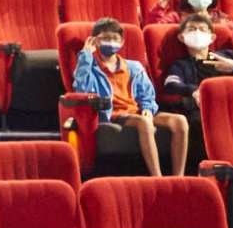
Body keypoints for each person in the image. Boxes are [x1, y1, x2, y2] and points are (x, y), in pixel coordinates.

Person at [72, 16, 189, 177]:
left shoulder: (134, 67)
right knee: (143, 122)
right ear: (95, 41)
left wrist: (147, 108)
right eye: (105, 38)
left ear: (122, 42)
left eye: (114, 38)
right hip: (113, 114)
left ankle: (179, 176)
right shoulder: (90, 66)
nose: (110, 42)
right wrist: (86, 55)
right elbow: (81, 88)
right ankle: (157, 177)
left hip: (137, 110)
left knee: (180, 121)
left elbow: (147, 93)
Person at [160, 14, 233, 121]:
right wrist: (195, 90)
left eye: (202, 30)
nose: (197, 33)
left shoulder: (230, 56)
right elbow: (171, 84)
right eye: (191, 29)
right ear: (181, 37)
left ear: (212, 38)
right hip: (205, 111)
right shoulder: (180, 65)